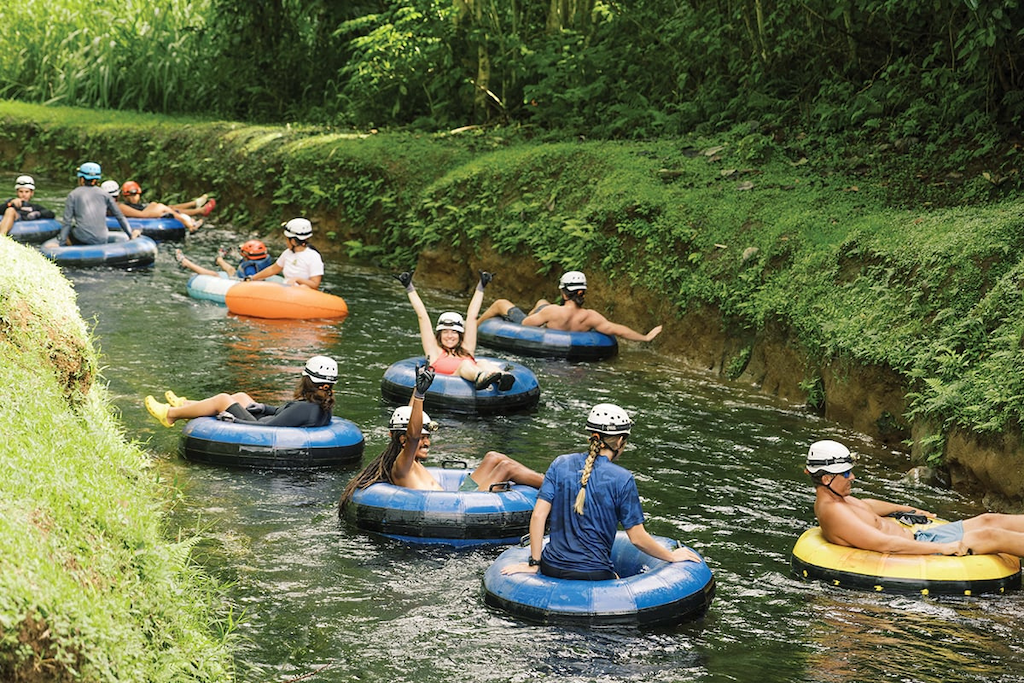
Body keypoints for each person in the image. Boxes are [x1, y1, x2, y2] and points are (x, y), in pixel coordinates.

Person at [502, 404, 701, 580]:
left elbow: (538, 516)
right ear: (621, 441)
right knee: (615, 577)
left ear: (591, 435)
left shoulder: (559, 463)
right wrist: (671, 556)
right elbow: (637, 538)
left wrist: (534, 563)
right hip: (594, 573)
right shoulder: (623, 479)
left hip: (551, 567)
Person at [338, 365, 543, 510]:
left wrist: (418, 389)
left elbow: (410, 420)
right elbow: (413, 434)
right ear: (402, 440)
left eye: (427, 437)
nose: (427, 442)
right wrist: (420, 395)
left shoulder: (411, 460)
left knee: (493, 457)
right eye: (423, 438)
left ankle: (549, 481)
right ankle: (555, 485)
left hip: (462, 495)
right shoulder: (402, 464)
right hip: (460, 506)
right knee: (506, 468)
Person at [805, 439, 1024, 557]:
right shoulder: (833, 512)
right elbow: (885, 544)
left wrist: (905, 508)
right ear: (826, 479)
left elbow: (866, 506)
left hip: (920, 537)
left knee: (989, 519)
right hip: (919, 551)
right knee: (990, 535)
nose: (852, 477)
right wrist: (942, 548)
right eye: (845, 474)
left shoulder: (839, 499)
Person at [395, 269, 514, 390]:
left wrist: (481, 286)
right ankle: (481, 377)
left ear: (459, 335)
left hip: (475, 373)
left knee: (483, 363)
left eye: (454, 332)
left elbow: (472, 316)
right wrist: (409, 287)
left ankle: (503, 377)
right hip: (452, 383)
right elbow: (422, 316)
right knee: (465, 364)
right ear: (439, 335)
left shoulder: (466, 348)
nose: (449, 336)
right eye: (445, 332)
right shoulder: (434, 350)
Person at [144, 355, 338, 429]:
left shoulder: (305, 408)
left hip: (257, 426)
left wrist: (234, 421)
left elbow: (268, 428)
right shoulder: (319, 404)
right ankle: (186, 406)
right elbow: (283, 414)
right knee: (241, 397)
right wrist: (264, 407)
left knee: (223, 399)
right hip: (264, 420)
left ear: (306, 380)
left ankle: (170, 414)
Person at [479, 270, 663, 342]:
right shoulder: (591, 316)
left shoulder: (552, 311)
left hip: (542, 324)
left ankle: (472, 326)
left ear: (564, 293)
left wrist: (541, 322)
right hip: (571, 329)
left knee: (500, 303)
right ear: (583, 292)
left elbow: (525, 325)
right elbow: (618, 329)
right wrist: (645, 337)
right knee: (542, 302)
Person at [58, 162, 140, 245]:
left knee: (68, 231)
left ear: (82, 179)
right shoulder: (105, 194)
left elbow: (67, 222)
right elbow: (120, 217)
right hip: (102, 238)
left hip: (82, 238)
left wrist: (61, 243)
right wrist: (130, 235)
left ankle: (71, 250)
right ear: (95, 180)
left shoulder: (73, 195)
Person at [247, 218, 324, 290]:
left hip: (303, 293)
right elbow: (273, 269)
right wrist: (252, 278)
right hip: (286, 291)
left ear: (293, 241)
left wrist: (297, 279)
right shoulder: (287, 253)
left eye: (287, 239)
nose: (286, 242)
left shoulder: (313, 256)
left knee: (303, 287)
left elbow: (315, 284)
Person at [118, 180, 209, 233]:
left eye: (135, 195)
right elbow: (140, 214)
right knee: (162, 207)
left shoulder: (135, 205)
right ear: (125, 197)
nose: (133, 198)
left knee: (167, 207)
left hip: (144, 211)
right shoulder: (123, 206)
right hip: (143, 215)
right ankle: (191, 223)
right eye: (130, 196)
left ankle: (195, 205)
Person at [174, 240, 275, 279]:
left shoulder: (250, 269)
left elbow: (250, 281)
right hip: (240, 276)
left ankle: (186, 262)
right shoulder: (261, 260)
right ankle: (219, 259)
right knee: (231, 269)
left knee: (214, 275)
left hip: (239, 282)